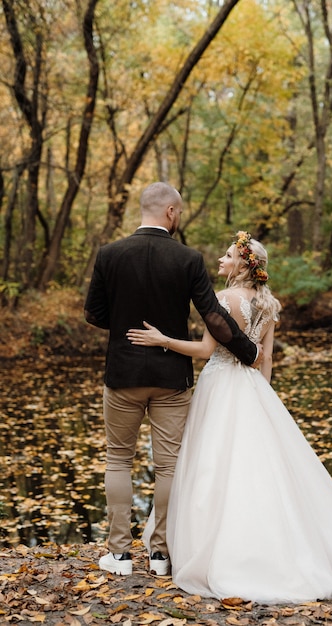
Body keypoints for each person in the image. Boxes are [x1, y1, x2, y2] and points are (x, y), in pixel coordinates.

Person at [127, 231, 332, 604]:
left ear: (241, 264)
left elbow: (206, 350)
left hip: (219, 386)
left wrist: (162, 341)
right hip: (252, 389)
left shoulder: (223, 298)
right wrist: (263, 398)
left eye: (227, 255)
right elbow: (264, 359)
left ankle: (210, 548)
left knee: (211, 466)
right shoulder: (270, 304)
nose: (220, 259)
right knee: (259, 467)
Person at [84, 184, 260, 578]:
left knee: (118, 458)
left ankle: (119, 556)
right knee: (168, 467)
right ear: (170, 212)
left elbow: (94, 313)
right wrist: (249, 353)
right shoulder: (187, 258)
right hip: (171, 377)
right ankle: (160, 556)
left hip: (123, 374)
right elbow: (213, 315)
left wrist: (126, 325)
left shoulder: (109, 254)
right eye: (178, 212)